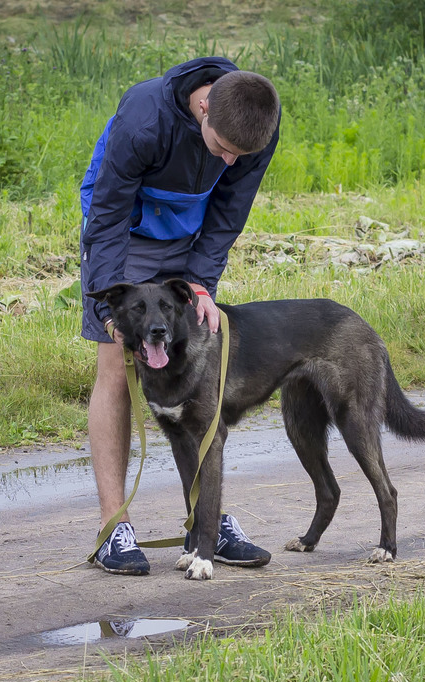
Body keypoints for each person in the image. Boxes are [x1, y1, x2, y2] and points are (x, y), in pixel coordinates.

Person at [79, 57, 281, 575]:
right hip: (125, 232)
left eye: (242, 155)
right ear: (203, 107)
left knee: (197, 368)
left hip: (189, 238)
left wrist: (201, 285)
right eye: (222, 150)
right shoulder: (146, 117)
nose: (231, 162)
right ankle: (113, 529)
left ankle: (205, 524)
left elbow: (228, 215)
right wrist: (107, 301)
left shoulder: (255, 123)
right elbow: (106, 211)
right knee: (116, 372)